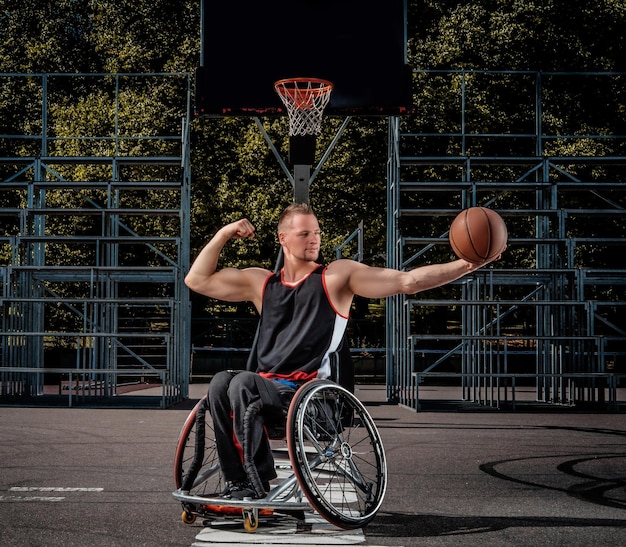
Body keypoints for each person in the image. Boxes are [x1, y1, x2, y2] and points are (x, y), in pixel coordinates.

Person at [185, 202, 499, 500]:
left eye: (317, 232)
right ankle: (238, 480)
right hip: (263, 395)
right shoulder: (262, 283)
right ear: (282, 238)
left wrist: (467, 264)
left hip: (309, 399)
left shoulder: (336, 277)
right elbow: (196, 279)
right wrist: (224, 233)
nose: (314, 239)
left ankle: (257, 481)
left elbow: (408, 281)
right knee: (220, 383)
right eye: (304, 233)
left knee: (241, 383)